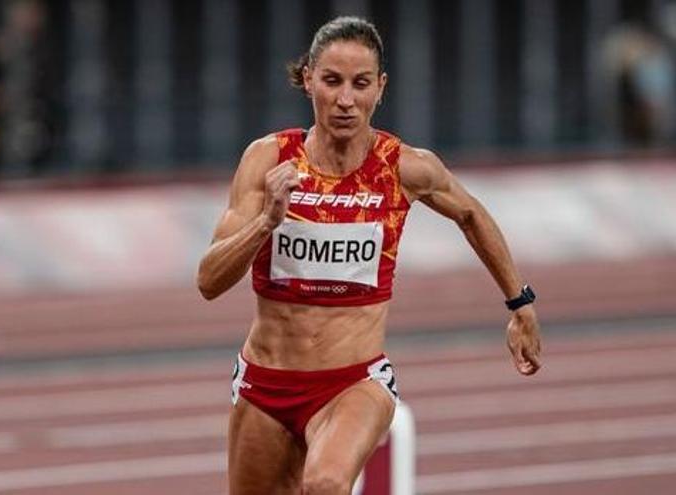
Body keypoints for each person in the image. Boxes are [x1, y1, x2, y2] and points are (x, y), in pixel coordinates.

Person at [197, 16, 542, 495]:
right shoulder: (268, 160)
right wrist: (266, 223)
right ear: (307, 79)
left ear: (380, 88)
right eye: (332, 81)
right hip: (265, 385)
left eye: (360, 84)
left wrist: (519, 303)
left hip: (351, 381)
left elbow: (471, 215)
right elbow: (209, 281)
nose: (345, 100)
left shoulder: (403, 166)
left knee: (325, 483)